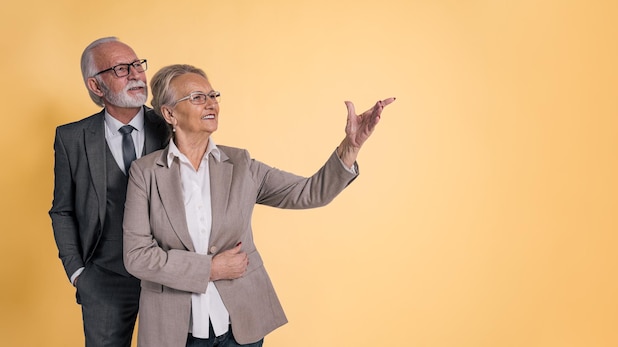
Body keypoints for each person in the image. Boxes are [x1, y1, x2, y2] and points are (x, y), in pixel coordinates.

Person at [122, 63, 395, 347]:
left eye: (213, 95)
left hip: (241, 327)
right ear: (169, 113)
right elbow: (137, 256)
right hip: (174, 331)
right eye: (197, 97)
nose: (211, 103)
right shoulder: (145, 173)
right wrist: (210, 269)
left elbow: (309, 192)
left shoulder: (241, 165)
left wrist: (350, 147)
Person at [49, 37, 169, 347]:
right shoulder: (71, 138)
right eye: (120, 69)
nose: (136, 74)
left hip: (168, 275)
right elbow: (62, 210)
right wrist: (78, 272)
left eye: (137, 65)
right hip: (103, 279)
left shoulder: (172, 128)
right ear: (96, 86)